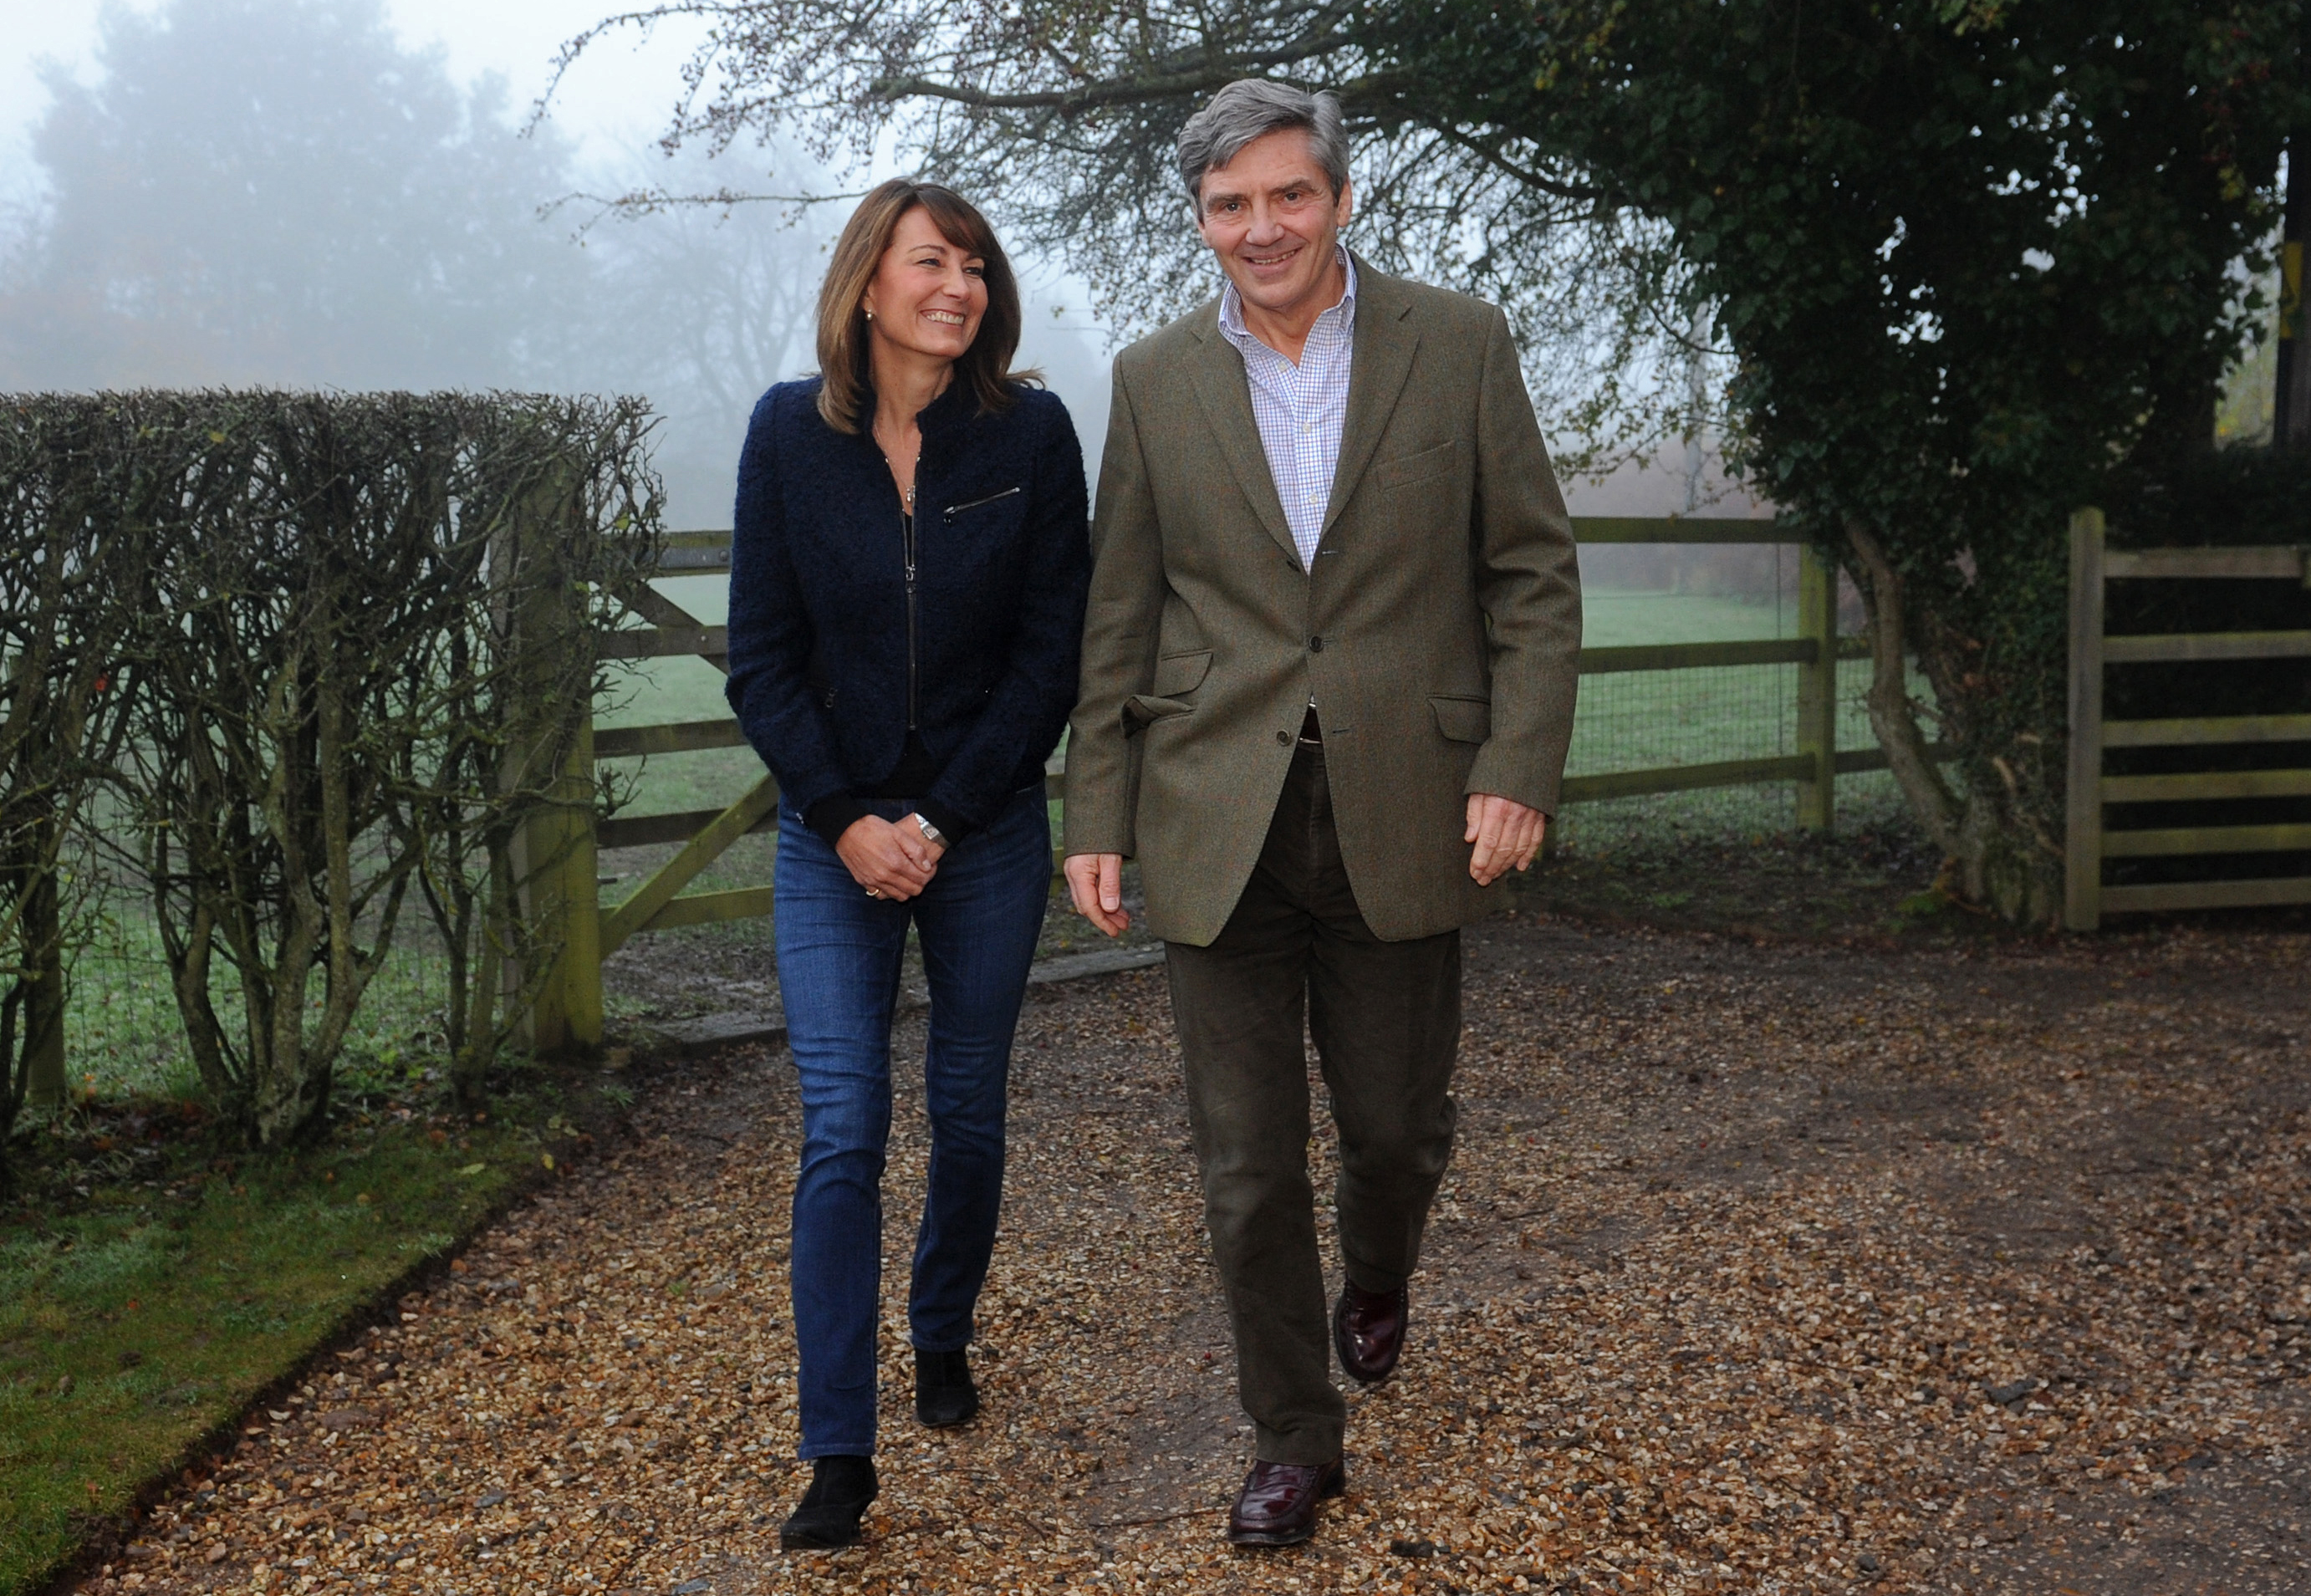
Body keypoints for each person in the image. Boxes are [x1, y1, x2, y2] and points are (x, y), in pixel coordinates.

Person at [1061, 80, 1583, 1548]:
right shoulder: (1153, 377)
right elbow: (1122, 612)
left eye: (1288, 195)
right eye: (1230, 205)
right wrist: (1094, 807)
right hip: (1210, 812)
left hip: (1411, 803)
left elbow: (1531, 573)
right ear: (1203, 219)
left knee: (1397, 1130)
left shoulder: (1458, 341)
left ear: (1341, 199)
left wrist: (1518, 763)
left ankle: (1380, 1265)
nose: (1262, 227)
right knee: (1241, 1163)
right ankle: (1297, 1432)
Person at [726, 176, 1090, 1551]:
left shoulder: (1031, 434)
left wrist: (937, 816)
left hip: (983, 828)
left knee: (969, 1105)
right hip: (834, 839)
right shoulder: (785, 434)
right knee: (843, 1126)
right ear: (865, 283)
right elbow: (758, 656)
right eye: (932, 262)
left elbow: (1052, 654)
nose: (961, 286)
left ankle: (942, 1327)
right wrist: (842, 818)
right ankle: (838, 1453)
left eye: (977, 267)